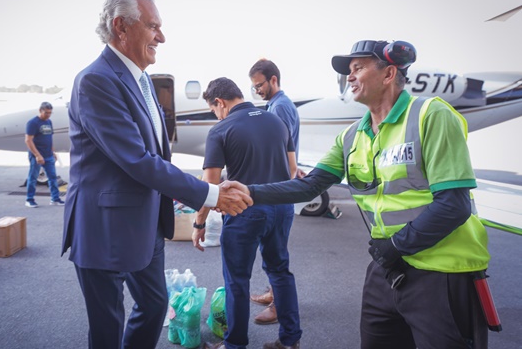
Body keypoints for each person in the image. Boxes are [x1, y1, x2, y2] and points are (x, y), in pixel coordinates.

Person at [223, 40, 491, 349]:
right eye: (349, 71)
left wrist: (396, 247)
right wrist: (250, 192)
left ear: (389, 73)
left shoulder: (430, 116)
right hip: (387, 267)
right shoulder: (352, 135)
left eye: (358, 69)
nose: (349, 77)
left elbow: (454, 206)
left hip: (442, 271)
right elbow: (309, 186)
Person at [60, 0, 251, 349]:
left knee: (155, 303)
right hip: (105, 227)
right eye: (152, 26)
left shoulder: (142, 80)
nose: (161, 37)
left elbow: (157, 156)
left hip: (144, 224)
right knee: (107, 326)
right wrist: (210, 194)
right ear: (121, 26)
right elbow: (136, 160)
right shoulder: (96, 80)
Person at [194, 77, 301, 349]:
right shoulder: (276, 120)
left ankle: (235, 345)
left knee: (237, 281)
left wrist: (199, 223)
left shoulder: (221, 130)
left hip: (245, 211)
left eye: (213, 109)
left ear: (220, 102)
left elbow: (210, 187)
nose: (215, 115)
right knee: (280, 272)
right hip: (282, 207)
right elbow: (292, 169)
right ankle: (290, 341)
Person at [248, 58, 303, 324]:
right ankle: (273, 294)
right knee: (272, 251)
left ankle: (279, 307)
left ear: (273, 80)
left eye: (260, 85)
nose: (257, 90)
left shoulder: (280, 108)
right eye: (254, 87)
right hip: (279, 188)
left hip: (279, 191)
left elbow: (281, 150)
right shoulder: (274, 105)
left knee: (276, 254)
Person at [24, 101, 64, 208]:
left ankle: (55, 199)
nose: (48, 115)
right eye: (46, 113)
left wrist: (53, 152)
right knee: (33, 178)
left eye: (50, 113)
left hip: (48, 155)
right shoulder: (33, 123)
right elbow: (28, 140)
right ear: (40, 111)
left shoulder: (49, 122)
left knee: (52, 178)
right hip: (36, 156)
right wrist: (37, 155)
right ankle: (29, 199)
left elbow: (49, 138)